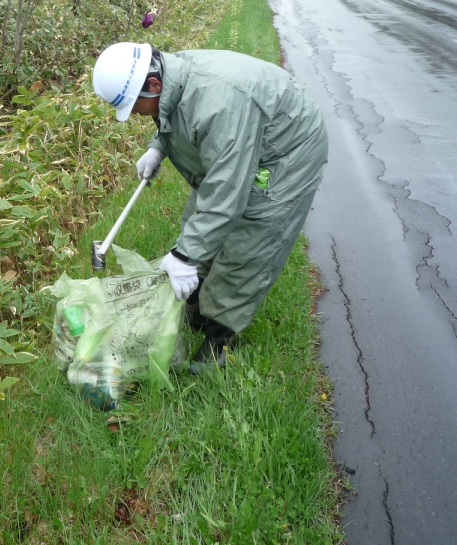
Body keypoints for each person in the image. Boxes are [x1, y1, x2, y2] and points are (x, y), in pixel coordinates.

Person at [92, 42, 328, 373]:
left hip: (286, 151)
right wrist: (158, 147)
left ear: (154, 84)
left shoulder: (221, 104)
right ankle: (200, 303)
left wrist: (185, 257)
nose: (134, 114)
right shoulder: (175, 76)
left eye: (134, 106)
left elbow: (226, 194)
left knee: (248, 240)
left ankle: (220, 340)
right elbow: (175, 113)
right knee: (199, 224)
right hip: (244, 136)